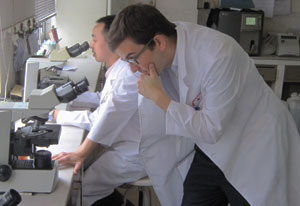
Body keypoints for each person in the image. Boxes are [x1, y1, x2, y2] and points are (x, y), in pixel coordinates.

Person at [107, 3, 300, 206]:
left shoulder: (217, 55)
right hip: (211, 150)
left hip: (254, 148)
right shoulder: (166, 53)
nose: (132, 69)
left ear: (158, 42)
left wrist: (158, 97)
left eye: (133, 59)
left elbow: (210, 128)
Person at [52, 15, 147, 206]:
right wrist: (66, 96)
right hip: (127, 144)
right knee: (86, 180)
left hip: (135, 153)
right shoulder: (119, 68)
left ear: (112, 40)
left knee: (81, 188)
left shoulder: (128, 73)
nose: (91, 43)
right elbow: (102, 100)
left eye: (95, 38)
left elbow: (101, 117)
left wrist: (59, 115)